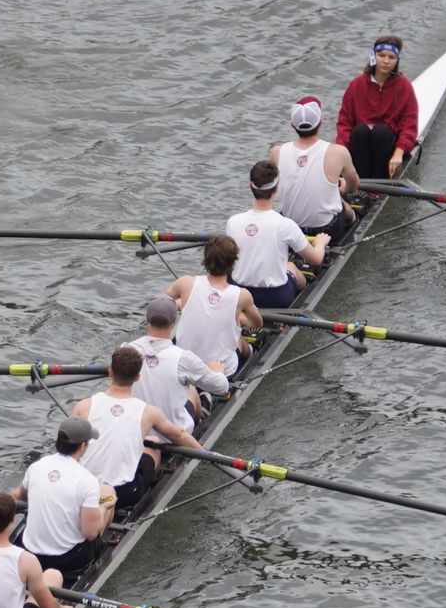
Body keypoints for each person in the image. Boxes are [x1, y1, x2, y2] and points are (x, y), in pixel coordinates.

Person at [72, 345, 203, 511]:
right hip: (124, 494)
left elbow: (66, 447)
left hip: (83, 490)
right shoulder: (148, 412)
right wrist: (207, 455)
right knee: (153, 445)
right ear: (138, 377)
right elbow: (180, 437)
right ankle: (150, 486)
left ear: (110, 372)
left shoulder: (83, 406)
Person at [11, 415, 117, 584]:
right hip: (67, 560)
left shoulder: (37, 467)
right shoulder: (87, 480)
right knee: (108, 494)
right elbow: (90, 534)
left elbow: (17, 496)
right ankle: (99, 550)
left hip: (29, 554)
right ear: (82, 446)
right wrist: (105, 508)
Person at [227, 159, 327, 311]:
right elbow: (317, 259)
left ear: (250, 187)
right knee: (292, 267)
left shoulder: (233, 222)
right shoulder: (285, 224)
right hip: (276, 297)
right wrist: (320, 243)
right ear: (276, 189)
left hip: (239, 295)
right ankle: (305, 294)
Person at [165, 234, 263, 378]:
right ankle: (249, 351)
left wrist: (181, 303)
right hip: (220, 370)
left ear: (205, 259)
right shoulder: (242, 295)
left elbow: (160, 303)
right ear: (233, 263)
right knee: (239, 339)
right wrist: (240, 320)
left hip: (183, 365)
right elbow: (257, 323)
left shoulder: (185, 283)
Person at [127, 295, 229, 432]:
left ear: (147, 320)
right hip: (173, 433)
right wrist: (218, 371)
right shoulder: (184, 358)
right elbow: (222, 387)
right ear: (174, 323)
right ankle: (200, 421)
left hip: (138, 431)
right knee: (191, 388)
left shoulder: (125, 350)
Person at [270, 95, 361, 242]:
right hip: (326, 230)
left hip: (291, 229)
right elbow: (354, 185)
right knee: (342, 205)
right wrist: (344, 188)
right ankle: (352, 225)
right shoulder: (338, 152)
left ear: (293, 125)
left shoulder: (276, 152)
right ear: (320, 123)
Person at [335, 36, 418, 180]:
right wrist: (340, 153)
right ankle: (358, 182)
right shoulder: (356, 85)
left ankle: (378, 186)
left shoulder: (404, 87)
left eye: (391, 57)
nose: (386, 61)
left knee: (381, 131)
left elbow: (409, 126)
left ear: (397, 60)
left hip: (388, 149)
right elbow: (345, 123)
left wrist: (399, 152)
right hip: (360, 147)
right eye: (381, 56)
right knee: (360, 130)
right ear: (373, 56)